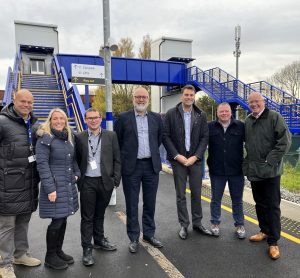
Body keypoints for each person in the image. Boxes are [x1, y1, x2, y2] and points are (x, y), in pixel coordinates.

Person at [114, 87, 163, 253]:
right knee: (132, 204)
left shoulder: (156, 118)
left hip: (151, 166)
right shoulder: (123, 118)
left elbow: (159, 139)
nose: (141, 100)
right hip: (131, 167)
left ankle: (149, 234)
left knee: (150, 203)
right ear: (133, 99)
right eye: (138, 97)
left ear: (148, 98)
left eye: (144, 97)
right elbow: (118, 142)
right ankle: (134, 237)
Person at [243, 92, 291, 260]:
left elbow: (285, 141)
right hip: (255, 171)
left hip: (270, 172)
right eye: (251, 102)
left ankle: (273, 242)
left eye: (257, 101)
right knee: (260, 204)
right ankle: (264, 231)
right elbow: (247, 145)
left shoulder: (274, 117)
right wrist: (246, 165)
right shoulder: (248, 121)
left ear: (263, 102)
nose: (254, 104)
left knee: (272, 206)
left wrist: (270, 161)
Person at [0, 89, 41, 278]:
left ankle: (21, 255)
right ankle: (4, 264)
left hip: (28, 182)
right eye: (23, 101)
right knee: (7, 226)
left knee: (23, 222)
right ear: (13, 101)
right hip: (7, 185)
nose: (26, 105)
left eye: (30, 102)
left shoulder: (34, 123)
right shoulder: (2, 122)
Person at [163, 84, 211, 240]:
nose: (189, 97)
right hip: (179, 161)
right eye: (186, 95)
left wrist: (196, 156)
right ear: (181, 96)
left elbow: (205, 137)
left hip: (195, 160)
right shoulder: (171, 114)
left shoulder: (201, 115)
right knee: (181, 195)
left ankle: (197, 223)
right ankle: (184, 225)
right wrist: (177, 156)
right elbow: (166, 136)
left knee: (197, 194)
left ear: (194, 97)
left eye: (192, 95)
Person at [75, 108, 121, 266]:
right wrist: (78, 179)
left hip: (105, 182)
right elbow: (76, 159)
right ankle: (87, 249)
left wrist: (115, 180)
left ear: (100, 119)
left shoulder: (111, 135)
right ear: (85, 120)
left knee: (100, 214)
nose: (93, 120)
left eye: (96, 117)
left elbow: (117, 159)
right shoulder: (79, 137)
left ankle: (99, 240)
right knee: (87, 217)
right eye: (90, 118)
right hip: (87, 181)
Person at [35, 108, 81, 270]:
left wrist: (77, 174)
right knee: (57, 221)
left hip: (67, 185)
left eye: (62, 118)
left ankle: (58, 251)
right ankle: (50, 256)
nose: (59, 121)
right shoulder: (45, 139)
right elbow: (42, 165)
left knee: (63, 218)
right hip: (54, 186)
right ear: (50, 120)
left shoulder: (67, 138)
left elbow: (73, 160)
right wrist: (50, 189)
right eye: (55, 119)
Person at [207, 102, 246, 238]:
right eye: (221, 111)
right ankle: (215, 223)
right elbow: (201, 143)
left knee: (237, 200)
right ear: (217, 113)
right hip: (217, 170)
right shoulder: (210, 127)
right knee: (216, 199)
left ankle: (240, 224)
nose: (224, 113)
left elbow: (252, 143)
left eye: (226, 111)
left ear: (231, 112)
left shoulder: (240, 126)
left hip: (236, 170)